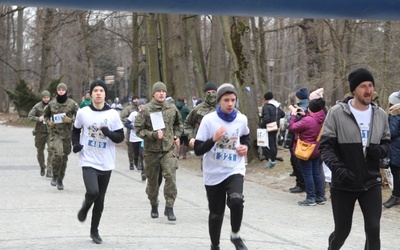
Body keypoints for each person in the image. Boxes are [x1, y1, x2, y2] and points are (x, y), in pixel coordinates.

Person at [319, 68, 390, 250]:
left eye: (370, 86)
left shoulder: (380, 115)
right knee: (342, 231)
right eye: (363, 86)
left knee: (373, 230)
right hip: (344, 183)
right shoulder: (336, 113)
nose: (368, 91)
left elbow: (387, 143)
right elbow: (325, 148)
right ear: (353, 90)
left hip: (371, 182)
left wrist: (380, 150)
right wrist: (338, 169)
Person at [194, 83, 250, 250]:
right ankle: (215, 245)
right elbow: (198, 149)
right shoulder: (208, 120)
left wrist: (245, 147)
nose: (230, 104)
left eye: (233, 100)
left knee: (236, 200)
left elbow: (246, 137)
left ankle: (235, 235)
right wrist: (213, 139)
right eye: (226, 100)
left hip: (234, 169)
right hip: (213, 172)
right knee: (216, 214)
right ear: (219, 101)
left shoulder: (242, 119)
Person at [72, 80, 125, 244]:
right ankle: (85, 207)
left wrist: (108, 133)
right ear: (91, 93)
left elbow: (120, 137)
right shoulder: (83, 112)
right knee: (93, 192)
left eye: (101, 90)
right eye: (95, 90)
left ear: (105, 94)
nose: (98, 93)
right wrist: (75, 144)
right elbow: (75, 130)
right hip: (88, 159)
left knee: (100, 200)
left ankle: (94, 231)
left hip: (106, 162)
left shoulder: (113, 114)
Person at [134, 81, 183, 221]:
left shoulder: (172, 108)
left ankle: (169, 207)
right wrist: (152, 135)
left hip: (168, 149)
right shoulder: (146, 110)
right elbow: (138, 129)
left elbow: (179, 124)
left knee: (170, 177)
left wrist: (176, 135)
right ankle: (154, 204)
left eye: (164, 91)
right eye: (159, 91)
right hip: (151, 151)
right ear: (153, 94)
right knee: (153, 182)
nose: (162, 93)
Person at [289, 98, 326, 206]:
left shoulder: (308, 120)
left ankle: (310, 198)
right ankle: (320, 196)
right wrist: (303, 113)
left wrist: (293, 115)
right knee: (316, 173)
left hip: (306, 150)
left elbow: (293, 127)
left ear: (311, 108)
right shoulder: (321, 117)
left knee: (307, 174)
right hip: (316, 149)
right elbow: (310, 121)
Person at [43, 83, 78, 190]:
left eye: (63, 89)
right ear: (57, 91)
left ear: (66, 91)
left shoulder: (72, 104)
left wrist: (71, 120)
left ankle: (60, 179)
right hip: (55, 133)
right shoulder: (51, 104)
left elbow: (79, 118)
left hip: (67, 135)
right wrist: (49, 123)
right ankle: (54, 175)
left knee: (64, 157)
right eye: (59, 90)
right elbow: (45, 116)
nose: (61, 91)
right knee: (58, 154)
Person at [185, 82, 218, 149]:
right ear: (205, 94)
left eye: (213, 92)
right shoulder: (198, 109)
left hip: (221, 145)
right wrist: (191, 137)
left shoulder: (224, 107)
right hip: (204, 145)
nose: (211, 94)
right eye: (208, 92)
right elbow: (188, 124)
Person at [288, 88, 309, 193]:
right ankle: (302, 184)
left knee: (297, 161)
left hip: (299, 138)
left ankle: (301, 184)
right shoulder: (309, 106)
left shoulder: (302, 108)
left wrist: (292, 113)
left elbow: (294, 123)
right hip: (305, 138)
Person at [28, 90, 53, 177]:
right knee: (40, 150)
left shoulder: (53, 105)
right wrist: (38, 118)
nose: (46, 99)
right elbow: (30, 116)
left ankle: (49, 170)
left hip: (50, 131)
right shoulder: (37, 107)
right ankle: (42, 166)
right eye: (44, 98)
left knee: (51, 150)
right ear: (42, 98)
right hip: (40, 132)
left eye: (47, 97)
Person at [383, 91, 400, 208]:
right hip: (397, 148)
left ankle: (396, 197)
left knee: (397, 174)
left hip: (396, 149)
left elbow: (392, 133)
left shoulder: (395, 115)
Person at [260, 92, 285, 168]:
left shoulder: (267, 107)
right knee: (273, 144)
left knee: (264, 144)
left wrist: (262, 124)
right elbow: (283, 114)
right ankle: (273, 159)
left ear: (266, 99)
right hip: (275, 127)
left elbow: (266, 118)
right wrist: (276, 119)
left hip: (268, 127)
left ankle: (272, 160)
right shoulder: (277, 105)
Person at [125, 99, 147, 181]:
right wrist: (132, 127)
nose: (142, 108)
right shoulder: (133, 114)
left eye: (143, 106)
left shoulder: (146, 114)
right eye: (140, 106)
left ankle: (142, 169)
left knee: (142, 153)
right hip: (134, 137)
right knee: (135, 153)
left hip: (142, 138)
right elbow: (126, 123)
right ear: (138, 107)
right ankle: (135, 161)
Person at [120, 95, 140, 170]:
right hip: (130, 131)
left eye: (137, 99)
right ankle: (131, 162)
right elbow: (122, 117)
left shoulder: (141, 108)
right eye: (134, 99)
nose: (136, 100)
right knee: (131, 147)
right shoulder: (128, 109)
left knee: (139, 148)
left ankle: (138, 162)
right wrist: (130, 124)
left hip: (139, 132)